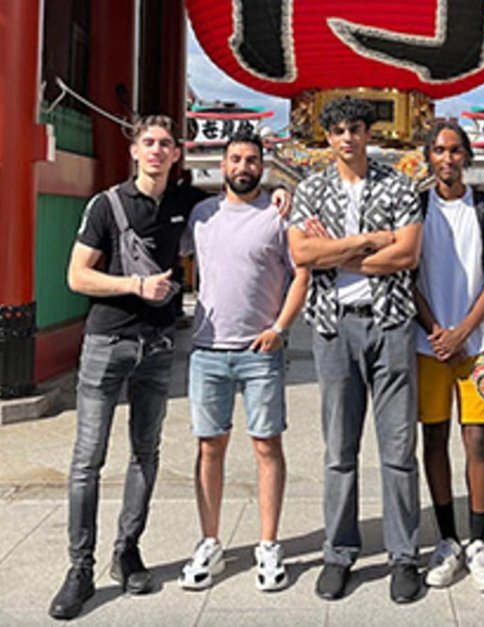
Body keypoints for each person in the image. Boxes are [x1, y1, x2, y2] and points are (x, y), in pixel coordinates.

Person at [49, 116, 206, 620]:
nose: (158, 151)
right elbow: (77, 275)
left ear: (178, 154)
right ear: (135, 150)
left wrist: (279, 200)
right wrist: (135, 287)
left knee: (146, 453)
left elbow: (235, 205)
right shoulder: (107, 204)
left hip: (158, 346)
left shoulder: (184, 203)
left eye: (166, 144)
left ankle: (127, 550)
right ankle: (79, 568)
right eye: (149, 143)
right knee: (87, 460)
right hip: (107, 341)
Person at [288, 97, 424, 603]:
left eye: (356, 128)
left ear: (370, 133)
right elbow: (301, 253)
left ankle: (404, 555)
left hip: (389, 324)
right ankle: (338, 551)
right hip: (332, 328)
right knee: (339, 450)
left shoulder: (400, 184)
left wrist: (336, 254)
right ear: (327, 137)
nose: (347, 137)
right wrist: (369, 241)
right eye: (338, 130)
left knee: (397, 448)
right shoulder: (311, 189)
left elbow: (407, 254)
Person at [177, 132, 308, 592]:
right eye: (235, 158)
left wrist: (281, 328)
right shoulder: (201, 215)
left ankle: (268, 543)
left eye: (252, 159)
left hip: (260, 351)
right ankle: (210, 540)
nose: (243, 166)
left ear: (262, 164)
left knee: (266, 446)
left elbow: (301, 275)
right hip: (208, 350)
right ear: (222, 165)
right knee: (209, 447)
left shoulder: (277, 214)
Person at [414, 121, 484, 592]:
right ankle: (447, 538)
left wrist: (462, 332)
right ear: (428, 157)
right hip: (428, 344)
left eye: (455, 150)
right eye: (438, 150)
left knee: (477, 441)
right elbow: (407, 275)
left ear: (467, 156)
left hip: (478, 345)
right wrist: (437, 330)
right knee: (433, 438)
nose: (447, 158)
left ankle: (478, 540)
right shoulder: (415, 207)